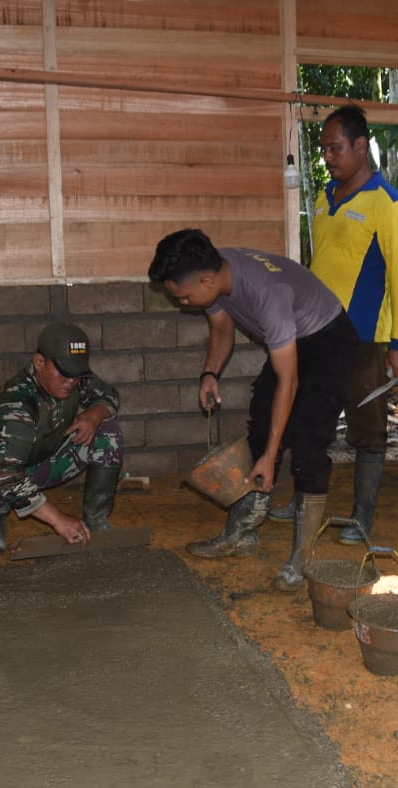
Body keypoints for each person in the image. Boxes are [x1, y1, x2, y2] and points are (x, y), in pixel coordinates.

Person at [148, 228, 359, 591]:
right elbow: (221, 329)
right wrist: (210, 373)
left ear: (206, 280)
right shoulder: (216, 271)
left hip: (329, 343)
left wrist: (272, 456)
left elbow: (288, 381)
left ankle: (301, 560)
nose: (183, 303)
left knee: (308, 446)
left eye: (184, 297)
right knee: (261, 425)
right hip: (294, 340)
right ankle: (242, 533)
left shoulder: (266, 294)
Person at [268, 105, 398, 545]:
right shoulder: (324, 198)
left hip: (362, 339)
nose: (327, 157)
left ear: (360, 145)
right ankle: (304, 500)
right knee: (308, 419)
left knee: (367, 429)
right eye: (324, 149)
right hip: (316, 332)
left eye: (335, 148)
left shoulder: (388, 205)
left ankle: (361, 518)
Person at [0, 323, 123, 554]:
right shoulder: (19, 401)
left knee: (108, 431)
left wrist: (94, 415)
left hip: (39, 463)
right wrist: (58, 520)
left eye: (77, 373)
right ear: (39, 362)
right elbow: (8, 475)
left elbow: (110, 395)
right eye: (64, 372)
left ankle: (96, 519)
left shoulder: (75, 377)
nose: (71, 381)